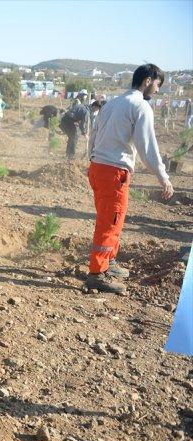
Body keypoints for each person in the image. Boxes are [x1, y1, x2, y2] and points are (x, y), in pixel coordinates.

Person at [85, 63, 174, 295]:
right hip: (114, 171)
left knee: (111, 218)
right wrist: (163, 177)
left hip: (98, 167)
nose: (157, 90)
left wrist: (93, 160)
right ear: (147, 80)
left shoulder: (112, 103)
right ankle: (97, 274)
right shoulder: (140, 106)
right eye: (157, 85)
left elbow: (93, 135)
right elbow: (148, 147)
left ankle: (109, 262)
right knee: (110, 222)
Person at [60, 92, 90, 160]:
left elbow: (77, 120)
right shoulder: (86, 112)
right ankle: (71, 156)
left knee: (72, 137)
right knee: (74, 137)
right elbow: (82, 124)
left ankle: (68, 155)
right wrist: (85, 134)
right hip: (68, 121)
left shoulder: (79, 106)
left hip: (64, 121)